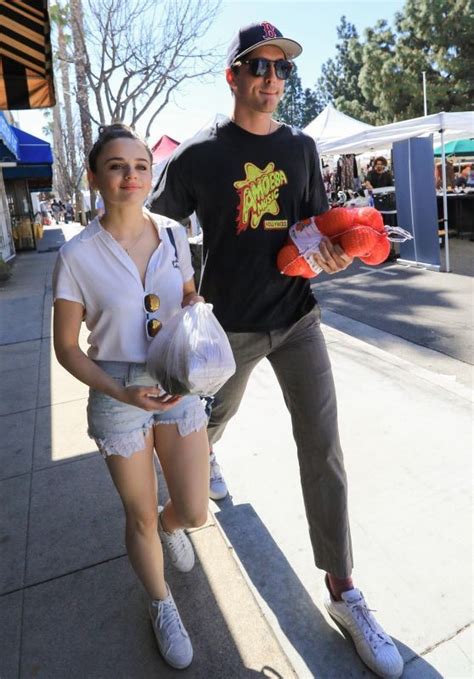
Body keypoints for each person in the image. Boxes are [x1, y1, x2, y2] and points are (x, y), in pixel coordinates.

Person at [150, 22, 404, 679]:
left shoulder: (301, 148)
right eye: (257, 66)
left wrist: (333, 255)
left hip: (297, 320)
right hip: (226, 328)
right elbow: (154, 229)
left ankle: (344, 588)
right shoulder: (199, 157)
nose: (271, 78)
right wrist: (170, 292)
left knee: (323, 444)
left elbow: (311, 228)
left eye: (280, 68)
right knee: (204, 429)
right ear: (232, 76)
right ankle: (188, 483)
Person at [52, 123, 210, 670]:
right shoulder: (76, 255)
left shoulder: (171, 234)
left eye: (140, 165)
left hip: (175, 376)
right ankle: (160, 604)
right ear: (95, 177)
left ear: (151, 173)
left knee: (192, 509)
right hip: (117, 386)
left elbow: (186, 293)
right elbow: (68, 349)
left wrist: (194, 306)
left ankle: (173, 529)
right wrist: (121, 389)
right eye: (117, 166)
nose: (131, 175)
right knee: (139, 514)